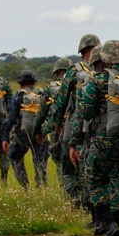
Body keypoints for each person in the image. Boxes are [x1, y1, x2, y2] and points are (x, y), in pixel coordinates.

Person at [71, 40, 119, 236]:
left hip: (105, 138)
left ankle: (110, 225)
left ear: (105, 57)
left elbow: (85, 112)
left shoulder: (98, 80)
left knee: (94, 178)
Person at [44, 34, 101, 223]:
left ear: (82, 49)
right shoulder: (107, 68)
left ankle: (87, 210)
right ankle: (106, 217)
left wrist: (52, 127)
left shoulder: (74, 72)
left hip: (76, 127)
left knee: (73, 171)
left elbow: (60, 104)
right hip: (104, 127)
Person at [2, 69, 44, 189]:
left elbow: (10, 119)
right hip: (40, 135)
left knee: (15, 157)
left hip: (22, 135)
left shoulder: (18, 96)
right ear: (34, 81)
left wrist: (5, 137)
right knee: (40, 163)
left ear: (20, 82)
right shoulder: (41, 94)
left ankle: (25, 187)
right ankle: (41, 187)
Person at [35, 57, 72, 193]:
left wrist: (38, 131)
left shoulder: (51, 88)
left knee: (60, 164)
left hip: (57, 130)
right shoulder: (80, 83)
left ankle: (67, 195)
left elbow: (41, 113)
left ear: (57, 72)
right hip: (76, 128)